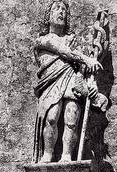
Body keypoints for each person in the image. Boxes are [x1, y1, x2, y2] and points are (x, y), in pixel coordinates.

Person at [33, 1, 106, 162]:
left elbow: (83, 68)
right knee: (51, 117)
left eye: (64, 10)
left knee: (71, 118)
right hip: (51, 83)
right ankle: (48, 155)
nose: (61, 12)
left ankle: (66, 156)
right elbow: (64, 52)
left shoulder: (73, 40)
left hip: (72, 81)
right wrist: (87, 59)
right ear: (48, 16)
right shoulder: (42, 41)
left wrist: (91, 84)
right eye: (56, 9)